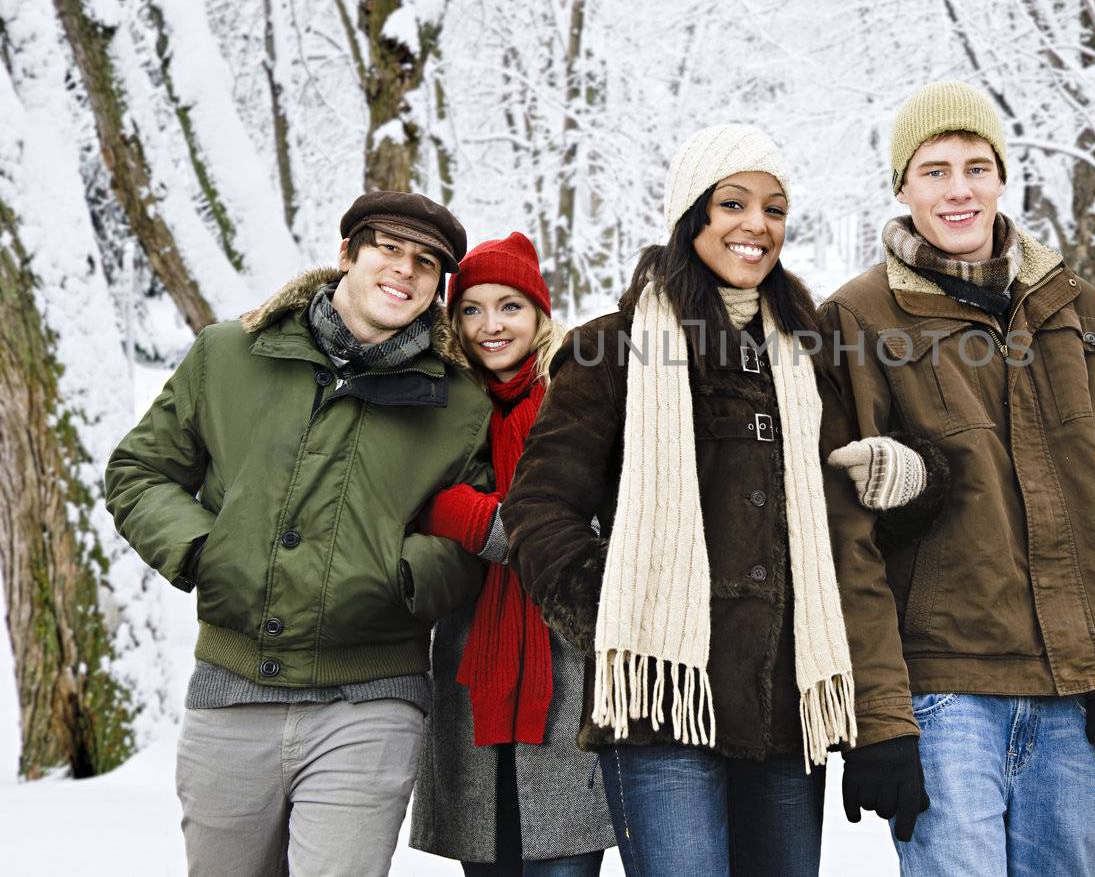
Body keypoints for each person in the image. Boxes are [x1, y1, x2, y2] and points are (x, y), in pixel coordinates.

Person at [501, 124, 878, 876]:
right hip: (660, 708)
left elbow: (839, 498)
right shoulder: (614, 350)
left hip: (781, 711)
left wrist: (911, 469)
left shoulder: (806, 358)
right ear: (692, 215)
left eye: (774, 208)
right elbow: (538, 507)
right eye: (733, 202)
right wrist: (615, 603)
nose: (757, 225)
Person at [819, 79, 1095, 876]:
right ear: (902, 186)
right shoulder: (857, 318)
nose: (958, 189)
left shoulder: (1079, 310)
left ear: (1002, 176)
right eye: (934, 170)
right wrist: (879, 718)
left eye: (976, 166)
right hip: (943, 692)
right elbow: (847, 539)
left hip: (1074, 691)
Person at [105, 191, 492, 876]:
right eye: (389, 249)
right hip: (232, 690)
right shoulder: (230, 353)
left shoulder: (458, 402)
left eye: (427, 263)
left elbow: (468, 539)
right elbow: (140, 470)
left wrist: (397, 576)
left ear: (438, 288)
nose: (405, 270)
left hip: (369, 701)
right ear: (347, 254)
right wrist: (204, 549)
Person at [409, 232, 614, 875]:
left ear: (539, 315)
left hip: (568, 675)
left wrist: (463, 513)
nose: (491, 326)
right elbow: (400, 505)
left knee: (563, 857)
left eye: (510, 307)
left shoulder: (582, 399)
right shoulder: (440, 409)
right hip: (470, 674)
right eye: (471, 309)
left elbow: (581, 535)